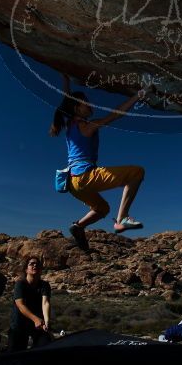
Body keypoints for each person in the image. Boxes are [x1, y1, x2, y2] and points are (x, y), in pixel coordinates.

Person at [50, 73, 147, 251]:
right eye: (85, 102)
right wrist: (139, 95)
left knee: (102, 209)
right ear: (77, 108)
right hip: (84, 177)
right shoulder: (86, 126)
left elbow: (67, 97)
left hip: (72, 184)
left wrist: (64, 75)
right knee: (137, 172)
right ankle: (122, 219)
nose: (89, 103)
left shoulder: (71, 124)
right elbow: (116, 114)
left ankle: (77, 226)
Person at [8, 256, 52, 352]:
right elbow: (21, 305)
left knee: (44, 346)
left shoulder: (44, 285)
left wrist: (47, 322)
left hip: (38, 323)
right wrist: (35, 319)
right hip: (19, 323)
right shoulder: (20, 284)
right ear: (26, 269)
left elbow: (45, 303)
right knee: (15, 353)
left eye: (37, 264)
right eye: (31, 263)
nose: (35, 265)